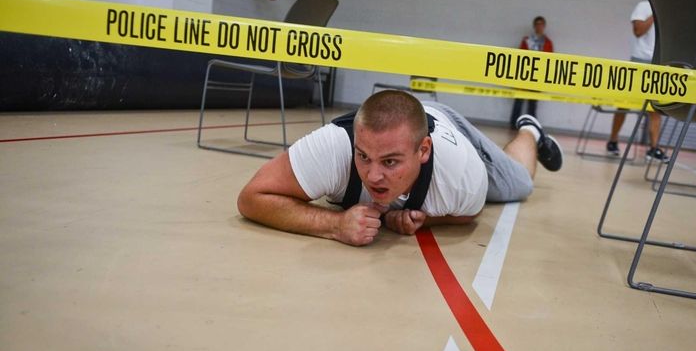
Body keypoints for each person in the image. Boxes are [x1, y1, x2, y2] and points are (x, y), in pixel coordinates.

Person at [238, 90, 563, 247]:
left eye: (390, 162)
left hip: (452, 128)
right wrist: (334, 224)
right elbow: (252, 197)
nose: (373, 175)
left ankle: (529, 130)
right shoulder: (334, 147)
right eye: (363, 156)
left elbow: (467, 213)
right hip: (404, 116)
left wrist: (430, 219)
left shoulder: (460, 177)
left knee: (519, 184)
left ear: (423, 151)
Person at [606, 1, 669, 162]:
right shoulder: (643, 6)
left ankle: (654, 148)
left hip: (658, 62)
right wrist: (656, 13)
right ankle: (613, 140)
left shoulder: (670, 8)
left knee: (655, 108)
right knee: (624, 104)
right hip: (639, 62)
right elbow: (638, 31)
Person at [510, 16, 553, 128]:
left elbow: (550, 59)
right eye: (537, 24)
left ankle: (531, 126)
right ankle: (513, 124)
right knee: (519, 100)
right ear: (534, 26)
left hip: (538, 76)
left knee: (533, 103)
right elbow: (520, 55)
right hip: (524, 74)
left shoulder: (548, 42)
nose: (539, 26)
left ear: (544, 26)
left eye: (541, 24)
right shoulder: (527, 40)